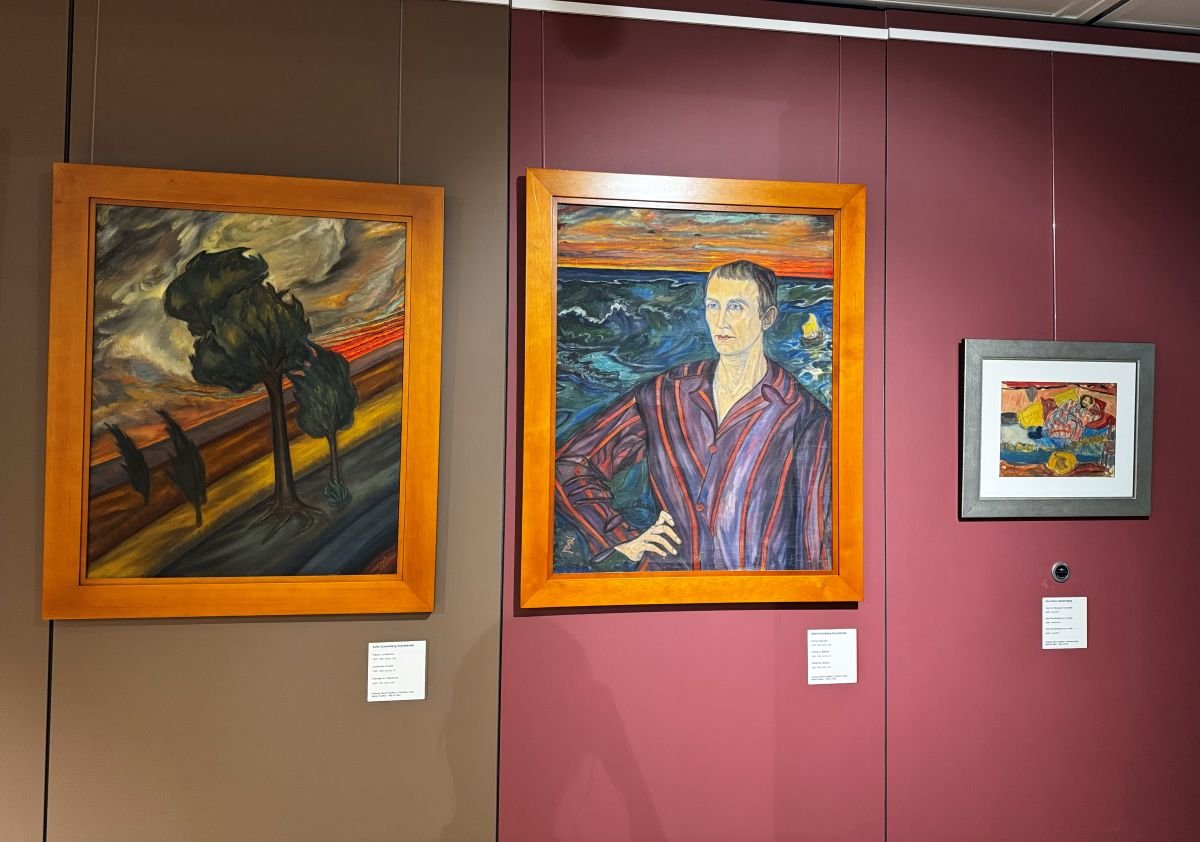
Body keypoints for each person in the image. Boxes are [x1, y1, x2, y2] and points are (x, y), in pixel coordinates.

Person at [554, 260, 832, 572]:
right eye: (713, 305)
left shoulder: (804, 415)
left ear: (767, 317)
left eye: (736, 307)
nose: (721, 321)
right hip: (663, 589)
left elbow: (814, 543)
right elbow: (572, 464)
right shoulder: (665, 393)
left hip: (752, 594)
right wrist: (621, 538)